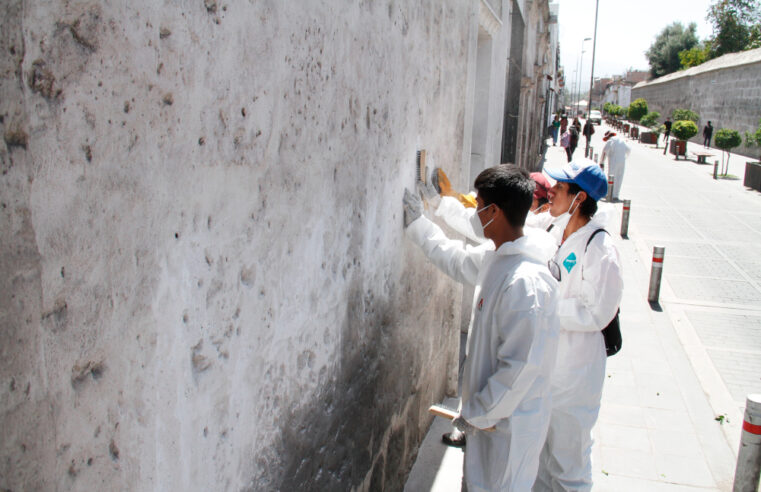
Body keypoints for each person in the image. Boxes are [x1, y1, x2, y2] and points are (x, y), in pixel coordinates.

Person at [403, 165, 560, 491]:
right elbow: (457, 259)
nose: (474, 212)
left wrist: (477, 413)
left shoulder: (526, 285)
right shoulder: (499, 259)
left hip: (508, 430)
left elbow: (519, 368)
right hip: (490, 423)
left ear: (495, 212)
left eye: (478, 205)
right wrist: (419, 225)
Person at [533, 159, 624, 492]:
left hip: (575, 375)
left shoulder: (600, 249)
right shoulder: (553, 228)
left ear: (580, 198)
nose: (551, 191)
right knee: (540, 460)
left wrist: (545, 305)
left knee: (568, 464)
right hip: (549, 366)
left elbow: (598, 313)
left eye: (560, 187)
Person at [599, 131, 631, 201]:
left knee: (611, 176)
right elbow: (628, 149)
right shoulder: (622, 140)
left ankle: (610, 194)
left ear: (609, 137)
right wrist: (625, 157)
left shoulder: (610, 141)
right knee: (619, 177)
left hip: (614, 160)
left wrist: (602, 162)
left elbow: (604, 151)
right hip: (622, 161)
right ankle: (616, 195)